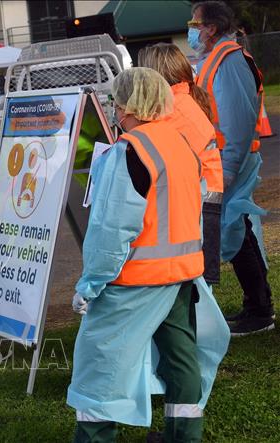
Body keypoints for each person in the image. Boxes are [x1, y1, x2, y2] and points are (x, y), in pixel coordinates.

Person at [67, 68, 227, 442]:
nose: (114, 109)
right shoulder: (180, 144)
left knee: (99, 368)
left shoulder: (130, 151)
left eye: (116, 102)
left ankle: (93, 438)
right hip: (182, 275)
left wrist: (90, 285)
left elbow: (112, 230)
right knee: (181, 361)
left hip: (134, 281)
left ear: (129, 105)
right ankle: (184, 435)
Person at [190, 1, 274, 335]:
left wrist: (227, 170)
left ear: (210, 27)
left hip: (229, 162)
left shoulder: (229, 60)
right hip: (222, 161)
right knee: (237, 230)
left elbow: (238, 122)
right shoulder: (217, 58)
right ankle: (257, 306)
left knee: (235, 231)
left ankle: (260, 309)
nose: (192, 29)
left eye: (194, 23)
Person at [138, 43, 223, 284]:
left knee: (195, 289)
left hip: (199, 204)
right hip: (201, 200)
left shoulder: (172, 110)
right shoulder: (180, 101)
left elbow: (152, 151)